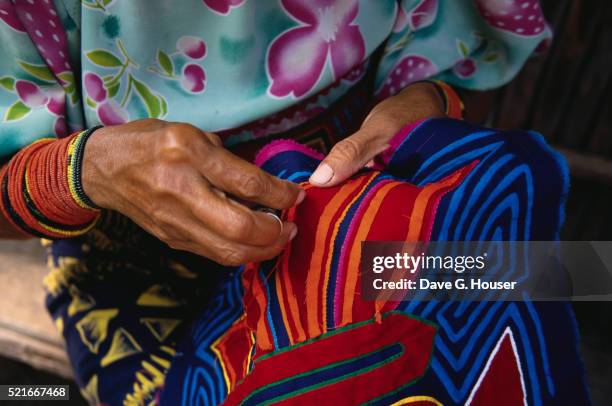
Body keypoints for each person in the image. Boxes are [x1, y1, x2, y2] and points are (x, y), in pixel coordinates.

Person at [1, 1, 577, 404]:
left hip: (369, 226)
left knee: (555, 279)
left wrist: (427, 102)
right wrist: (86, 171)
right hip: (138, 272)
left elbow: (471, 62)